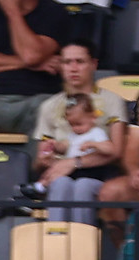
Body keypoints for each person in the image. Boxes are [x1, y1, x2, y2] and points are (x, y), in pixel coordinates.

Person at [31, 44, 124, 223]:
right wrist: (45, 160)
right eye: (67, 62)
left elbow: (117, 153)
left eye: (80, 61)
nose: (73, 68)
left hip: (99, 174)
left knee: (82, 186)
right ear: (60, 66)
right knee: (60, 184)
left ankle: (83, 245)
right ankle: (56, 239)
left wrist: (75, 163)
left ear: (94, 64)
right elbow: (39, 161)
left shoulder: (112, 101)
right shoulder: (48, 106)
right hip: (60, 176)